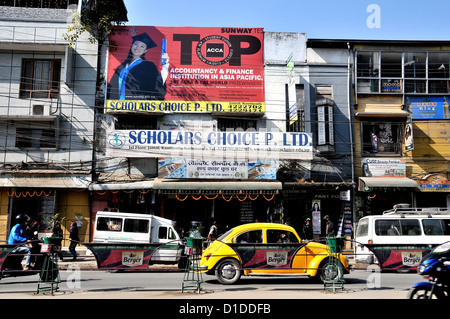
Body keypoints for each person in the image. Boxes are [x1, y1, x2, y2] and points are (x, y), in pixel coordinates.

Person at [107, 32, 169, 100]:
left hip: (135, 106)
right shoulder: (121, 67)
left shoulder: (148, 66)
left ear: (145, 51)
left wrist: (165, 66)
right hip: (116, 105)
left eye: (142, 46)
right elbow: (111, 86)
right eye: (136, 44)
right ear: (132, 45)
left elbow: (157, 83)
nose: (137, 47)